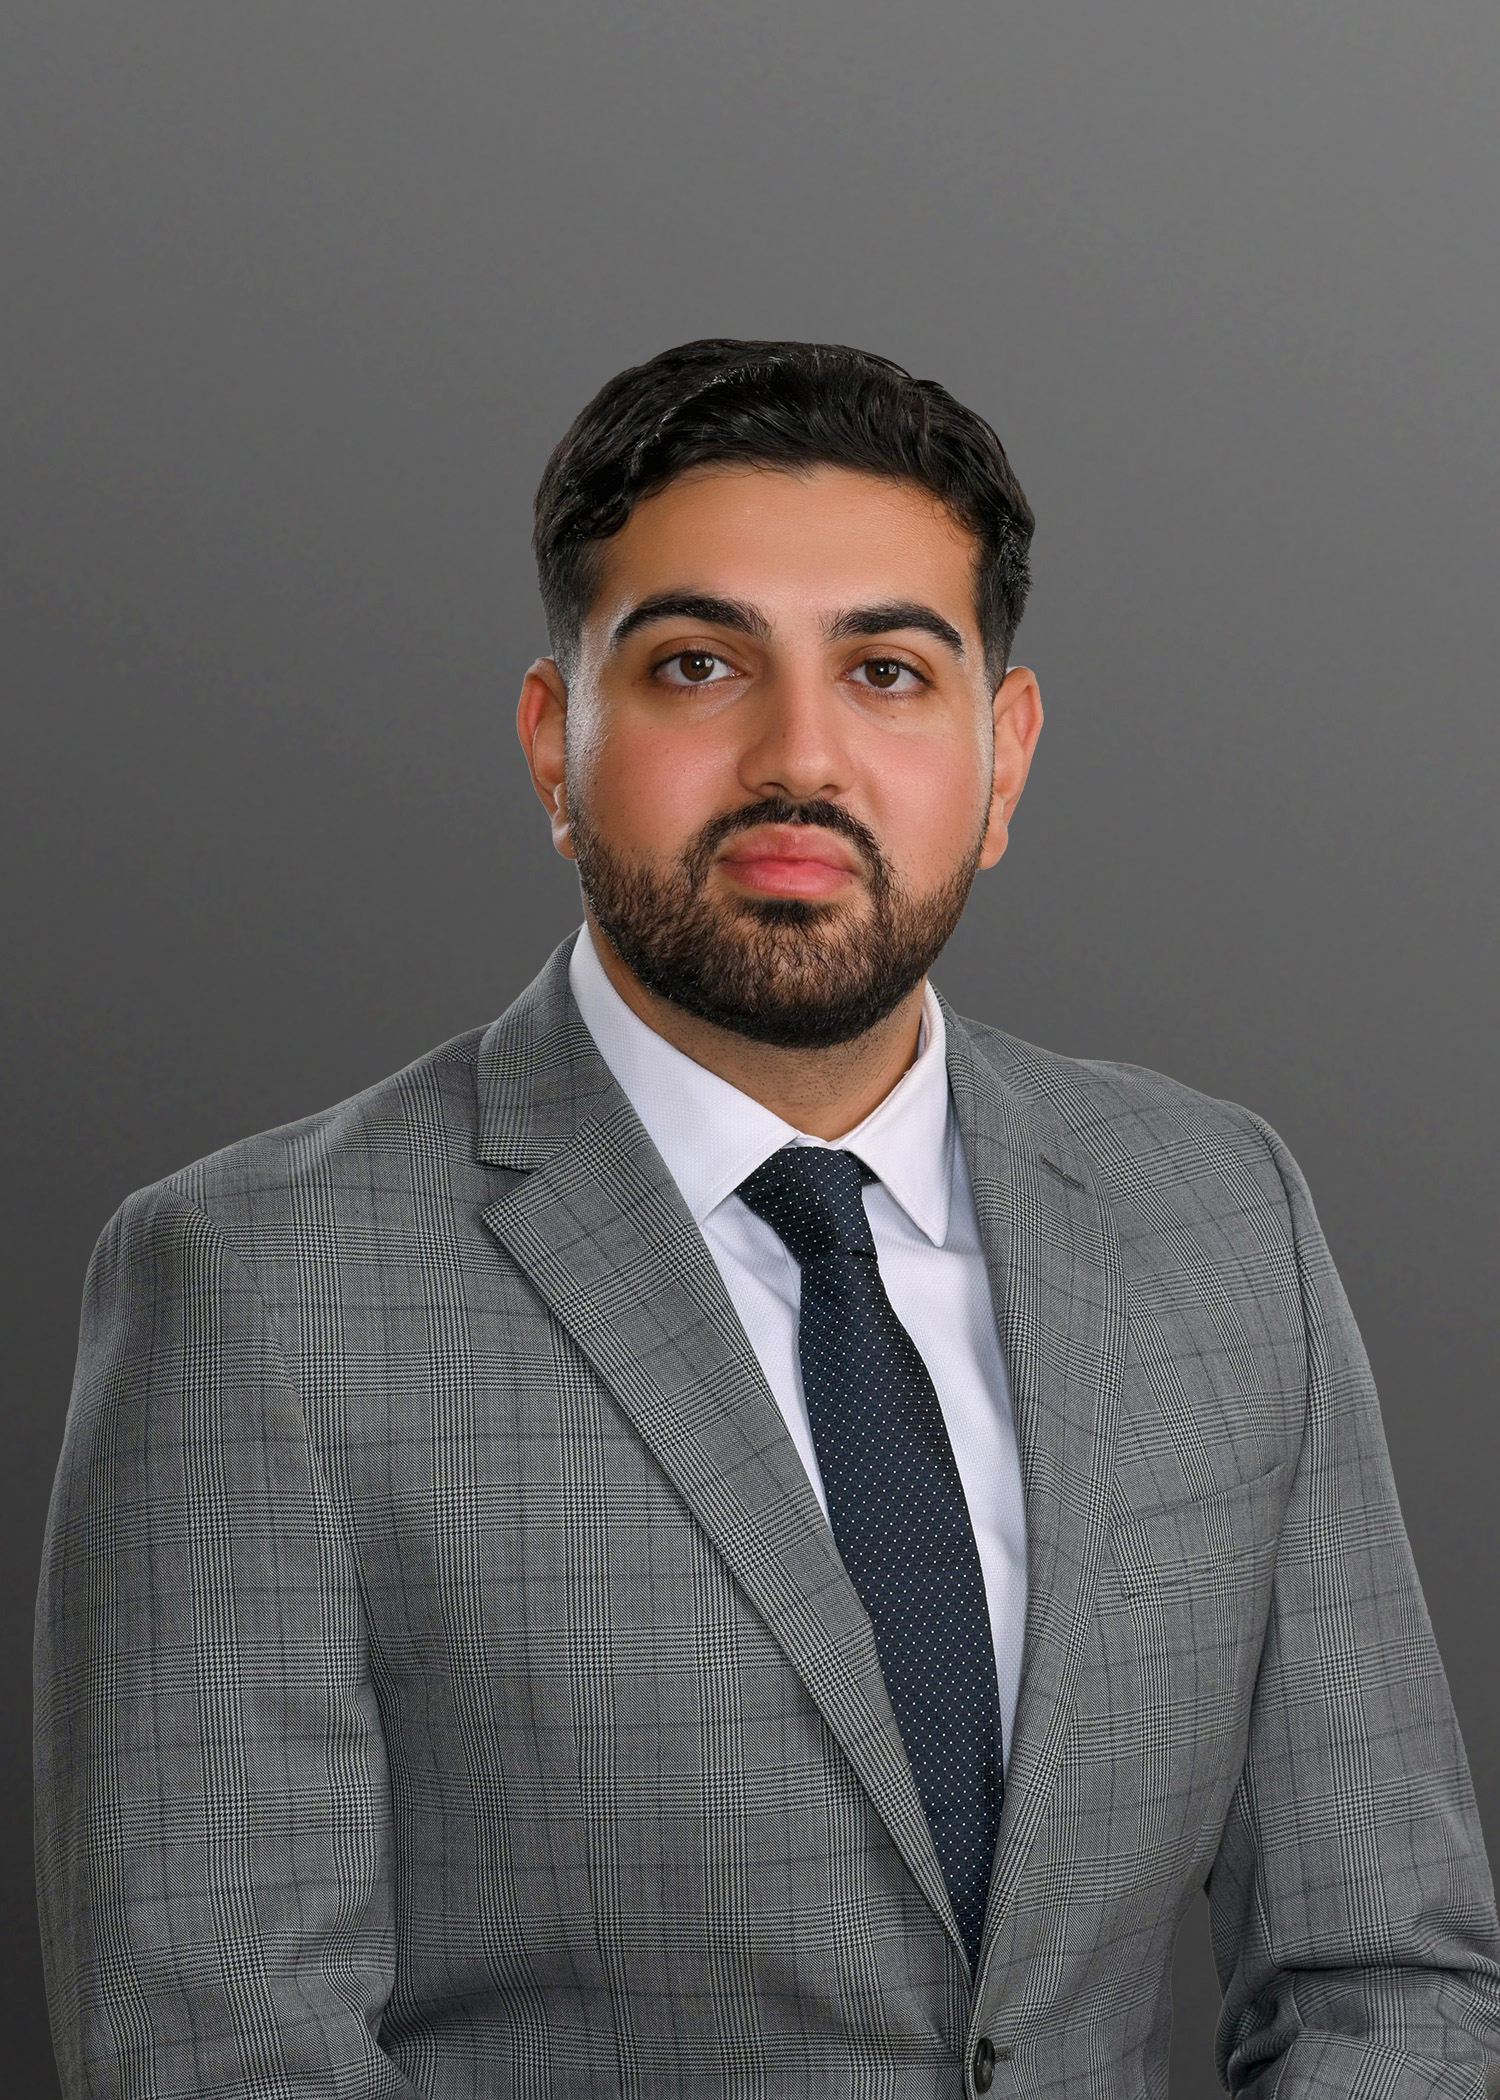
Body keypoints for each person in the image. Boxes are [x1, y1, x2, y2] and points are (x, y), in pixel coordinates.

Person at [35, 338, 1500, 2100]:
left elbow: (1388, 1973)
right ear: (555, 744)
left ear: (1004, 758)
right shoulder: (259, 1284)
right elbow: (223, 2053)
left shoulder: (1217, 1215)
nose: (800, 756)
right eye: (698, 664)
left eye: (887, 670)